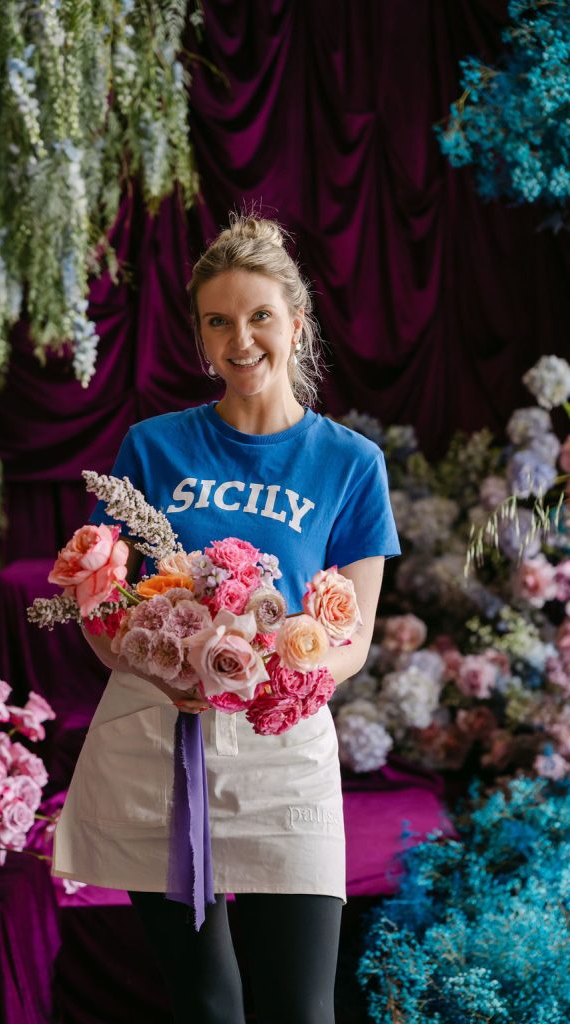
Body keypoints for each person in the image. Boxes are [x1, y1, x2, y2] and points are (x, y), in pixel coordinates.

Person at [52, 213, 401, 1023]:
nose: (240, 341)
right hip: (159, 741)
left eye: (259, 317)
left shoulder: (350, 463)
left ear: (296, 324)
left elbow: (352, 640)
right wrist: (151, 665)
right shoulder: (152, 447)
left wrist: (274, 679)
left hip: (283, 748)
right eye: (218, 322)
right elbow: (98, 603)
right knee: (206, 1006)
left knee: (300, 1008)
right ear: (200, 337)